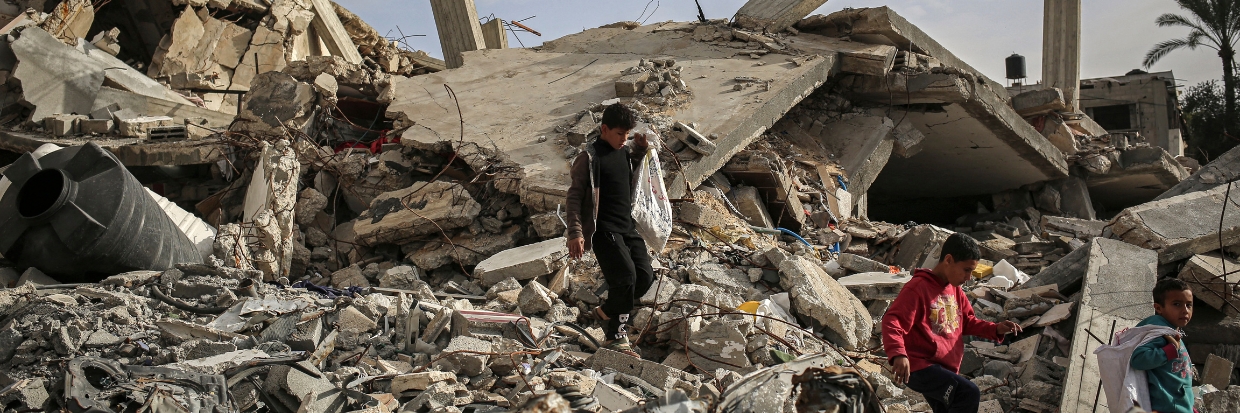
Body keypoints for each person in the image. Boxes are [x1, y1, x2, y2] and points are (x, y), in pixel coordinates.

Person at [882, 233, 1022, 413]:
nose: (970, 277)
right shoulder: (918, 288)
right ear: (948, 260)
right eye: (966, 270)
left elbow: (967, 322)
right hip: (920, 366)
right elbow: (893, 321)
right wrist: (898, 354)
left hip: (944, 368)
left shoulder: (955, 290)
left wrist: (996, 329)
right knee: (968, 394)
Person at [564, 103, 654, 357]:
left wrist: (640, 148)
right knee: (625, 278)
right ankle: (616, 336)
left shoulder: (624, 152)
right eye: (619, 134)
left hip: (626, 227)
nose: (623, 139)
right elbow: (574, 196)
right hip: (603, 230)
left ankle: (605, 312)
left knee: (645, 277)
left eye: (627, 134)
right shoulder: (589, 158)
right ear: (604, 129)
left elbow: (630, 172)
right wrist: (576, 232)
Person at [1130, 278, 1195, 413]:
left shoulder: (1171, 331)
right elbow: (1138, 359)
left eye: (1189, 305)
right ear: (1159, 308)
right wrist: (1169, 350)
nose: (1185, 310)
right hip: (1165, 408)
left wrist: (1189, 407)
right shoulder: (1160, 332)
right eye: (1177, 304)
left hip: (1178, 407)